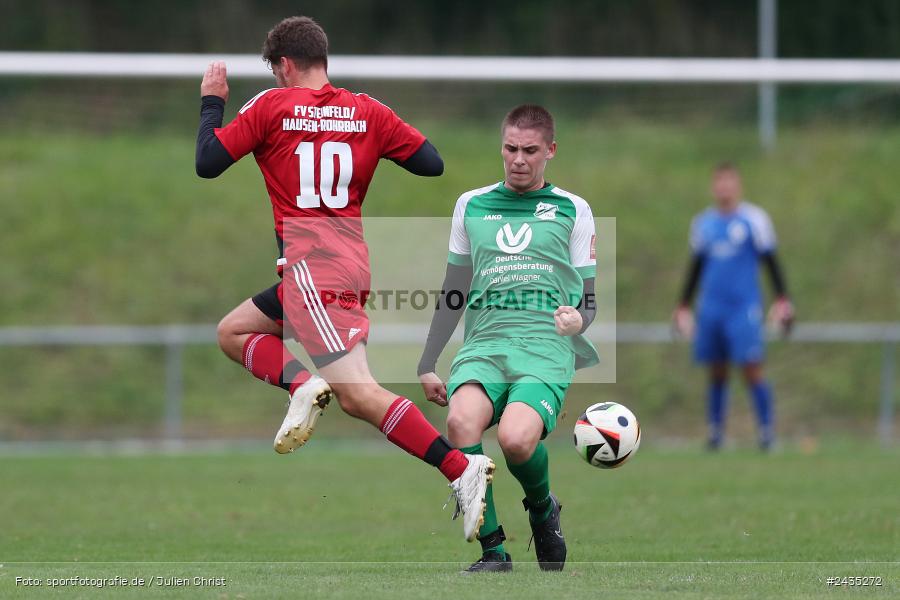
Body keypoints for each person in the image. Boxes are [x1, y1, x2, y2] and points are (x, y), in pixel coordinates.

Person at [194, 15, 493, 542]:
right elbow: (431, 163)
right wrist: (371, 132)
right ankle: (306, 384)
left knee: (361, 394)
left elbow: (207, 162)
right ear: (322, 59)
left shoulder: (268, 106)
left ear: (284, 65)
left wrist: (212, 101)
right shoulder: (368, 111)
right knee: (234, 332)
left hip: (312, 267)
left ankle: (459, 469)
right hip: (347, 265)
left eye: (277, 71)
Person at [418, 105, 599, 572]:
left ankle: (542, 510)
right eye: (510, 148)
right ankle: (494, 551)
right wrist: (427, 362)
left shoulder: (572, 209)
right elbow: (454, 289)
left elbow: (590, 302)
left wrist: (578, 321)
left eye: (530, 151)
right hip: (483, 347)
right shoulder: (471, 204)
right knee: (461, 426)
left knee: (517, 441)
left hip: (543, 348)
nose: (518, 159)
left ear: (550, 151)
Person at [672, 162, 794, 451]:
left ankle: (766, 432)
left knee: (751, 368)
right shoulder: (703, 223)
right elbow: (696, 266)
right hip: (711, 308)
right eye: (719, 182)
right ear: (714, 187)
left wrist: (783, 299)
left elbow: (771, 261)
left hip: (743, 308)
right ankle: (716, 433)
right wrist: (683, 305)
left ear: (737, 185)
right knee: (716, 370)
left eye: (729, 182)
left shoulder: (755, 220)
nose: (724, 187)